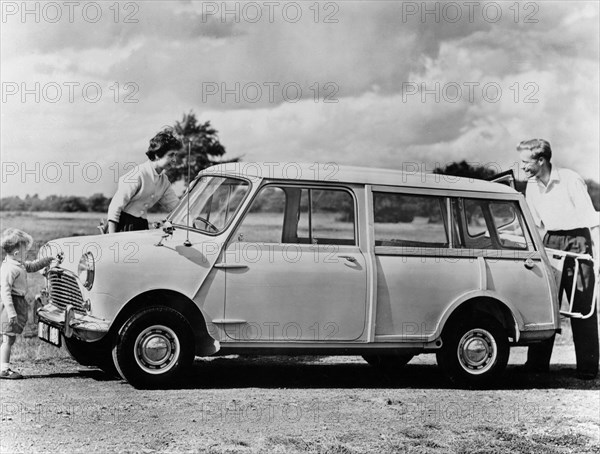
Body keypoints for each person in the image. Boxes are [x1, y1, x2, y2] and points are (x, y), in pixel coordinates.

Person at [517, 138, 599, 379]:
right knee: (547, 303)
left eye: (526, 162)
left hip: (578, 243)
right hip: (550, 242)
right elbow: (536, 224)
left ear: (541, 160)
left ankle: (587, 368)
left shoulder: (570, 179)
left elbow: (592, 222)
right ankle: (537, 365)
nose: (522, 167)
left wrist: (598, 259)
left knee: (582, 306)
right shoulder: (531, 185)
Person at [1, 228, 54, 379]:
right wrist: (11, 312)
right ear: (17, 252)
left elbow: (31, 266)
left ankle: (3, 366)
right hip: (10, 304)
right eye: (26, 251)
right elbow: (5, 292)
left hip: (17, 302)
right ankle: (4, 370)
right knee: (7, 338)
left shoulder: (18, 263)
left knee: (9, 338)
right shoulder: (9, 268)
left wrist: (46, 261)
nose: (27, 254)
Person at [107, 129, 183, 233]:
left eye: (175, 155)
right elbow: (115, 207)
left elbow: (177, 208)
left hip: (142, 226)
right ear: (157, 154)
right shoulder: (138, 174)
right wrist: (111, 238)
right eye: (171, 155)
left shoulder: (164, 182)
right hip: (122, 226)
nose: (174, 160)